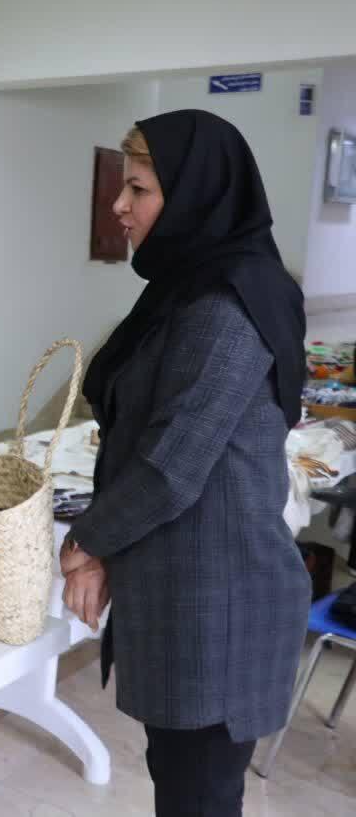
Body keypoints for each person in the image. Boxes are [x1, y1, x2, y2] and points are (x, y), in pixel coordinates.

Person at [61, 110, 310, 817]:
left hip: (219, 607)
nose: (119, 205)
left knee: (198, 794)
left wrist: (86, 541)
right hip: (189, 590)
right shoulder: (189, 285)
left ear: (195, 195)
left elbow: (171, 466)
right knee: (182, 781)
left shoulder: (229, 303)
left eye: (138, 189)